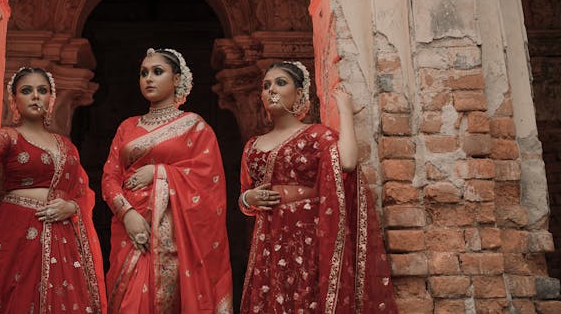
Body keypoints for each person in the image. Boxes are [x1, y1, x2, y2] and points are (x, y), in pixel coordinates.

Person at [238, 61, 397, 313]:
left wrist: (344, 110)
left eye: (281, 83)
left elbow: (346, 162)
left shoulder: (315, 135)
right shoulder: (253, 145)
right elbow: (244, 196)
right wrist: (248, 198)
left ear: (300, 93)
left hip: (308, 236)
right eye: (266, 86)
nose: (271, 90)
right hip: (268, 237)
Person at [0, 67, 106, 313]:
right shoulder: (10, 137)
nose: (36, 96)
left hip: (63, 237)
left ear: (51, 98)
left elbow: (82, 193)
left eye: (42, 90)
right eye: (26, 91)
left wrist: (71, 207)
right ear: (14, 99)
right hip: (16, 232)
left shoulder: (67, 145)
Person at [102, 48, 233, 313]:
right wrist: (127, 213)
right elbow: (110, 176)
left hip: (175, 236)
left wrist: (159, 172)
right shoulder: (127, 127)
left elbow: (208, 182)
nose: (148, 78)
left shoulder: (195, 127)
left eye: (157, 72)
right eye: (144, 73)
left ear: (176, 79)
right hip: (130, 230)